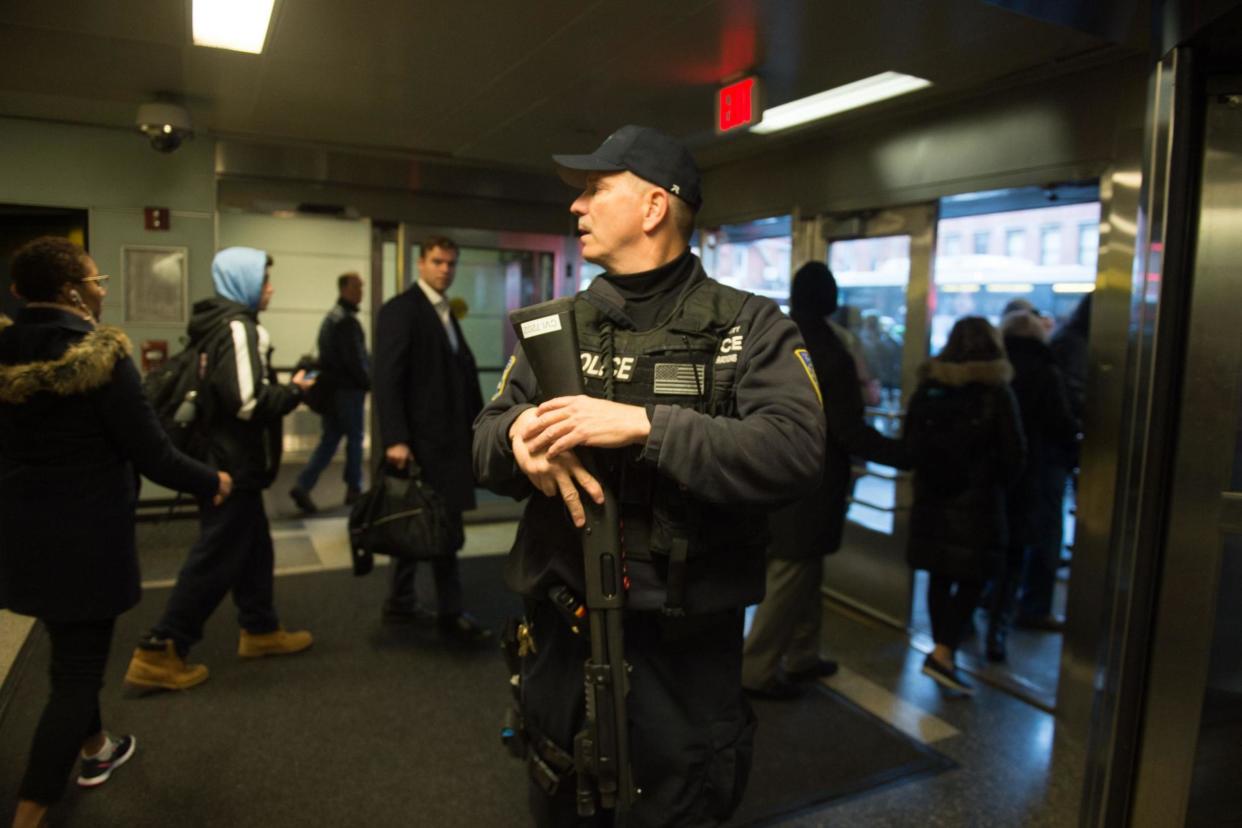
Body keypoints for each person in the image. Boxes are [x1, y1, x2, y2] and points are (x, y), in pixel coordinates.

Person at [473, 125, 825, 826]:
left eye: (595, 189)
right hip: (561, 648)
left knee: (678, 802)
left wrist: (644, 426)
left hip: (683, 663)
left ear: (654, 206)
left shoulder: (749, 329)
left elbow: (795, 448)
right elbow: (480, 442)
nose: (577, 206)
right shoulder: (556, 328)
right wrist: (518, 438)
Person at [0, 237, 230, 828]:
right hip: (87, 537)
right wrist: (212, 481)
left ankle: (96, 749)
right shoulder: (99, 356)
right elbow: (152, 453)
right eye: (96, 279)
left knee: (68, 651)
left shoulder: (4, 351)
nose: (102, 289)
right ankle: (30, 812)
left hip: (22, 532)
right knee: (75, 675)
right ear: (74, 291)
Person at [124, 247, 315, 691]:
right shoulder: (238, 327)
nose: (270, 288)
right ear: (244, 282)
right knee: (217, 554)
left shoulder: (210, 323)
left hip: (221, 456)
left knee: (252, 547)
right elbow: (247, 401)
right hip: (232, 463)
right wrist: (294, 392)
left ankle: (260, 629)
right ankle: (162, 648)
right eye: (264, 279)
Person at [742, 263, 906, 700]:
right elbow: (846, 428)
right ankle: (756, 669)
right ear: (829, 298)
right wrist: (905, 455)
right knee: (792, 573)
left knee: (804, 570)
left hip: (768, 470)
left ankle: (802, 654)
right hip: (811, 481)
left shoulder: (774, 337)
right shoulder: (830, 350)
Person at [373, 236, 490, 642]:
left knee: (424, 523)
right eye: (438, 261)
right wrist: (395, 439)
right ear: (420, 263)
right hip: (422, 443)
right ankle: (449, 614)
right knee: (437, 526)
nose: (445, 269)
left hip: (447, 441)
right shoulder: (402, 310)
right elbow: (386, 379)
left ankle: (400, 603)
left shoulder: (443, 312)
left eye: (451, 263)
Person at [903, 316, 1024, 695]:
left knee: (940, 576)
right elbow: (1014, 455)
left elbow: (910, 443)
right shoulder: (997, 391)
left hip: (934, 500)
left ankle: (944, 652)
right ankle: (942, 653)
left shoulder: (929, 386)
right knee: (976, 576)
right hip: (980, 504)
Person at [988, 310, 1078, 654]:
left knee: (995, 543)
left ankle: (980, 610)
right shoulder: (1046, 370)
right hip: (1037, 472)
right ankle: (1013, 618)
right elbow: (1060, 423)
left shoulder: (993, 368)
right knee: (1026, 546)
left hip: (997, 474)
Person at [290, 272, 370, 514]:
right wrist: (368, 382)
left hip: (332, 391)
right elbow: (354, 360)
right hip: (348, 391)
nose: (361, 292)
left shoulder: (331, 318)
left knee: (330, 440)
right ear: (344, 288)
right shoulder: (346, 321)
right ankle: (354, 488)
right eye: (357, 287)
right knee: (354, 439)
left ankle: (303, 485)